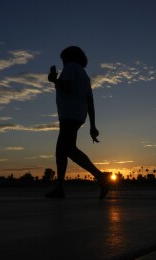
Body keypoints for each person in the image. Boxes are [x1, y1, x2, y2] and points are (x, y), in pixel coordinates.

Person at [45, 46, 112, 199]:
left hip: (68, 114)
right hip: (78, 115)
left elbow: (67, 87)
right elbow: (90, 101)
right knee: (67, 150)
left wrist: (54, 80)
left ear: (67, 58)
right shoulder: (84, 74)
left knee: (65, 150)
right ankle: (61, 187)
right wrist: (92, 125)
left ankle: (99, 177)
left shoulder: (69, 68)